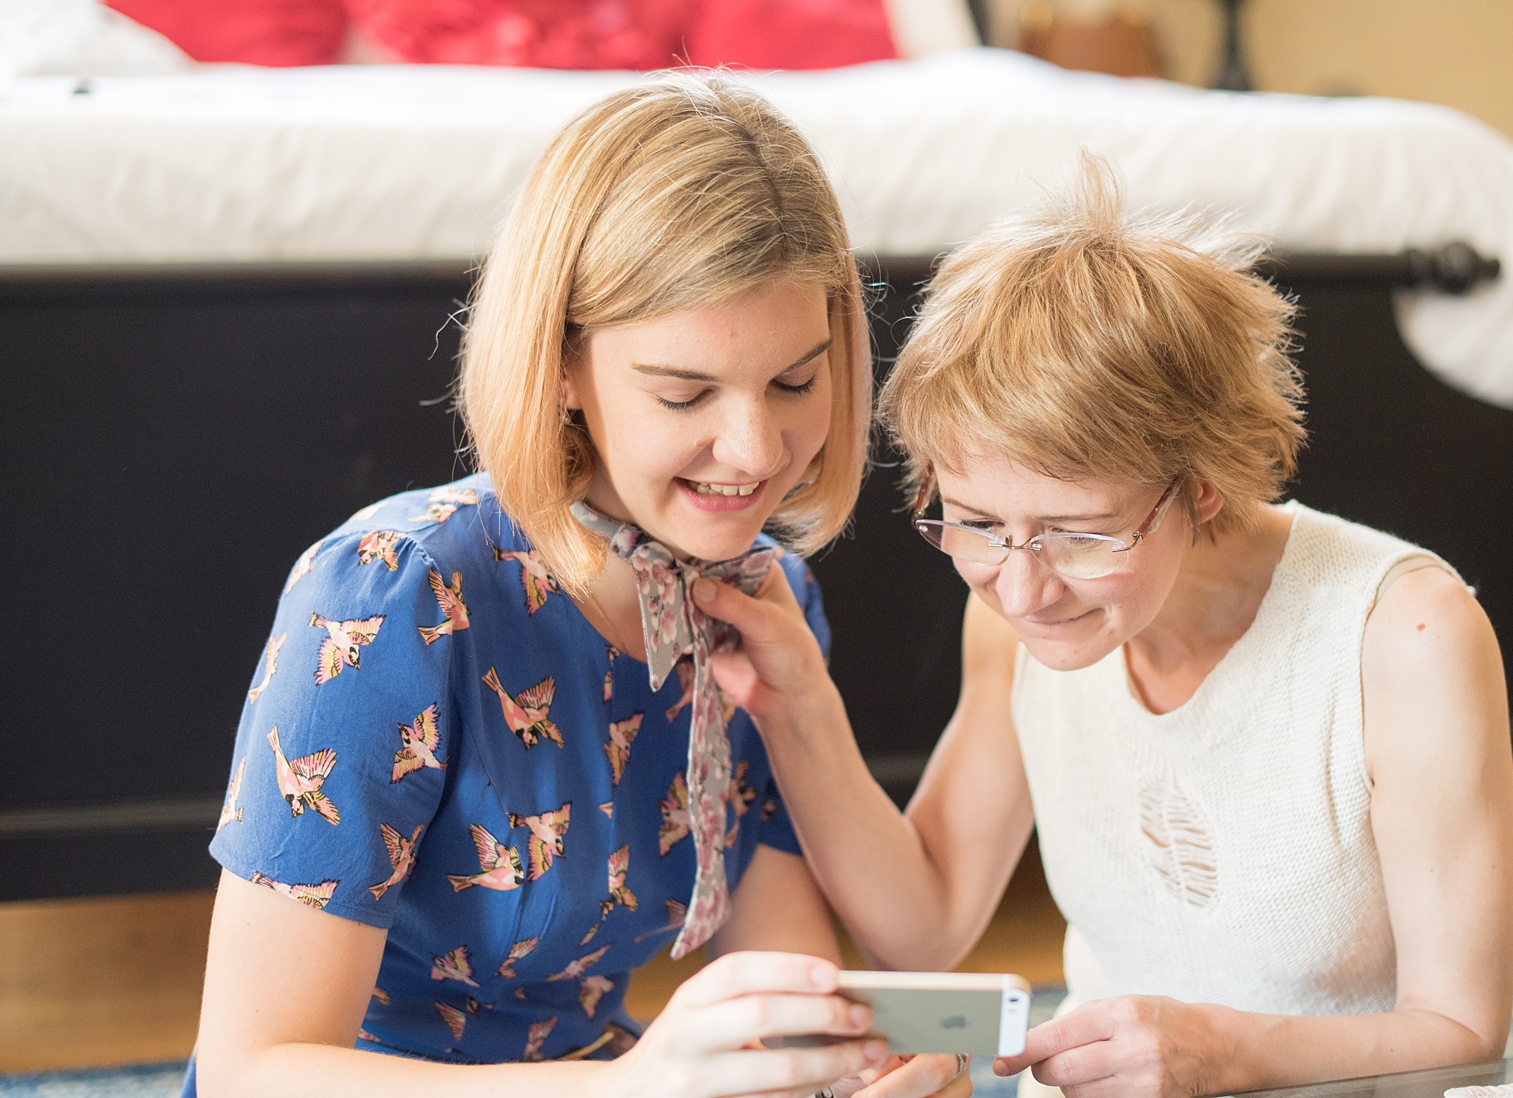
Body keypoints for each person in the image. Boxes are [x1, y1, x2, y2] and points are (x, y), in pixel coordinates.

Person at [188, 76, 970, 1098]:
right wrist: (634, 1086)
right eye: (683, 391)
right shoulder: (396, 594)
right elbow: (255, 1071)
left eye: (795, 382)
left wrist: (848, 1068)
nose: (754, 451)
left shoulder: (759, 599)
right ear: (560, 363)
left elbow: (774, 982)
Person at [693, 164, 1513, 1098]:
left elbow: (1463, 1035)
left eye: (1079, 534)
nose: (1025, 585)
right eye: (972, 519)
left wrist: (1227, 1054)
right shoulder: (1011, 612)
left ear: (1203, 480)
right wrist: (800, 704)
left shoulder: (1403, 635)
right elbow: (925, 922)